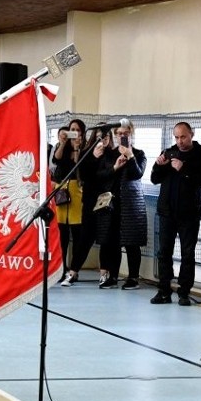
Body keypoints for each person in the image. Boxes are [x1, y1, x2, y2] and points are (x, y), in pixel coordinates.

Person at [150, 121, 201, 306]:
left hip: (188, 213)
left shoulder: (200, 153)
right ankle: (164, 290)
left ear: (191, 134)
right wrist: (159, 165)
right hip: (167, 211)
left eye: (183, 136)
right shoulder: (168, 152)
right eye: (176, 137)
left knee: (187, 253)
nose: (180, 141)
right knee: (164, 253)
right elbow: (154, 179)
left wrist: (183, 169)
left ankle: (184, 292)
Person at [94, 121, 148, 290]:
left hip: (132, 203)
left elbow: (137, 174)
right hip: (111, 203)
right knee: (111, 241)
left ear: (131, 134)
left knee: (132, 242)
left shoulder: (139, 154)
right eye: (119, 133)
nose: (122, 136)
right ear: (115, 135)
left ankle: (133, 278)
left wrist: (130, 157)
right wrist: (115, 167)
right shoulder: (108, 154)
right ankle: (112, 276)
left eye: (126, 133)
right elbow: (100, 175)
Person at [60, 128, 109, 287]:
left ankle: (104, 273)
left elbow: (111, 173)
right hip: (89, 200)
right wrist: (94, 157)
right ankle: (73, 272)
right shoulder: (86, 153)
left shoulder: (114, 154)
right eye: (99, 136)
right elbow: (84, 175)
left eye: (106, 136)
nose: (103, 140)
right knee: (84, 237)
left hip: (107, 200)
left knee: (105, 238)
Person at [52, 120, 86, 281]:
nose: (74, 132)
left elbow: (79, 167)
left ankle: (74, 269)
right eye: (72, 129)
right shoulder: (63, 147)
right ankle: (61, 268)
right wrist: (63, 142)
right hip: (62, 190)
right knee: (61, 234)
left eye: (77, 130)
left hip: (77, 192)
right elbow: (56, 160)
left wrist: (77, 147)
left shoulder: (85, 147)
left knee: (78, 234)